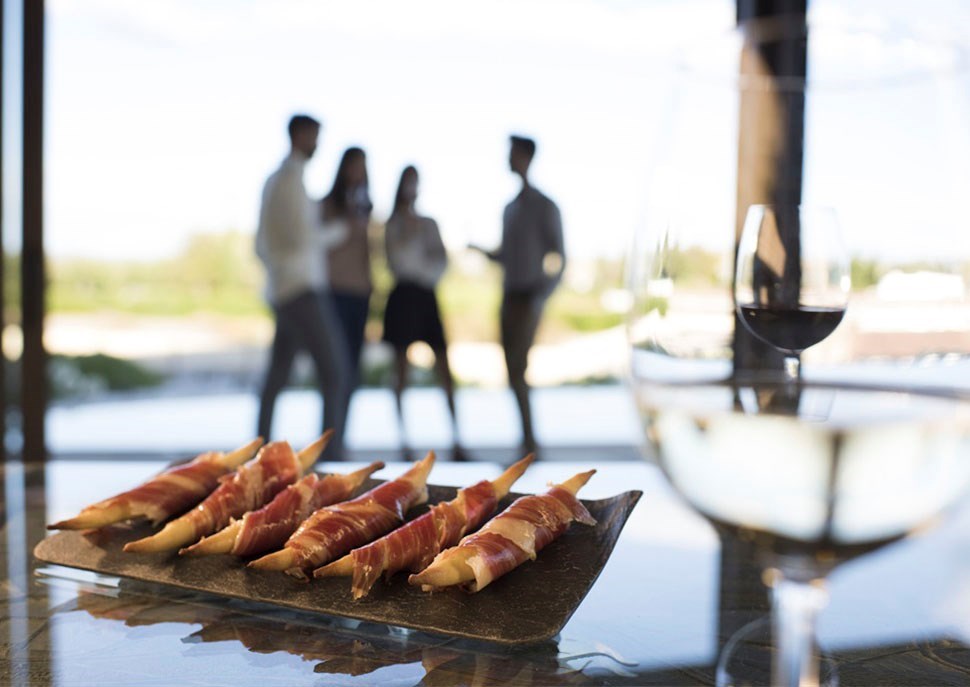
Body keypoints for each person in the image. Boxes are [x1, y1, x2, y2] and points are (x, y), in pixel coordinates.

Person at [255, 114, 350, 460]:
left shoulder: (279, 180)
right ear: (301, 135)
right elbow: (302, 238)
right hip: (300, 288)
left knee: (277, 375)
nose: (317, 144)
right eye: (315, 137)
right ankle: (331, 460)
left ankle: (258, 452)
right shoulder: (289, 180)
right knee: (335, 372)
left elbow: (262, 242)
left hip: (285, 286)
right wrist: (339, 230)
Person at [470, 135, 564, 456]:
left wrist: (542, 295)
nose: (508, 159)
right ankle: (527, 440)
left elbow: (559, 255)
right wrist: (481, 251)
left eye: (512, 153)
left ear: (525, 156)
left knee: (518, 368)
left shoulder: (544, 205)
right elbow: (506, 255)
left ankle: (530, 443)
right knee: (511, 370)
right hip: (509, 296)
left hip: (528, 296)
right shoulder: (510, 208)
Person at [382, 165, 466, 461]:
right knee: (400, 371)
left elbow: (440, 260)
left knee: (444, 366)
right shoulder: (393, 225)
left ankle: (457, 438)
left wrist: (424, 270)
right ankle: (404, 440)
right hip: (403, 296)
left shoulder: (428, 223)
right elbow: (397, 261)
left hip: (426, 295)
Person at [321, 147, 373, 396]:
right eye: (354, 165)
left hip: (360, 294)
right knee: (335, 367)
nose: (358, 172)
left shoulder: (366, 210)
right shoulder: (327, 206)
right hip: (335, 292)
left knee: (352, 368)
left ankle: (342, 430)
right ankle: (332, 430)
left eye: (362, 167)